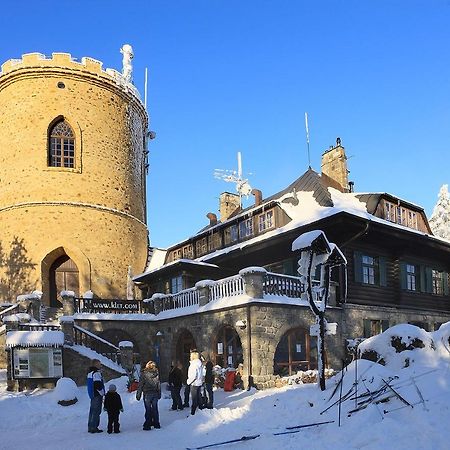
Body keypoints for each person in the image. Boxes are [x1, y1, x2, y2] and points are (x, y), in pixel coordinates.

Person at [136, 361, 161, 430]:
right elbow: (158, 384)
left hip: (147, 394)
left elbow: (140, 385)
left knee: (148, 409)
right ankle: (156, 423)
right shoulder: (156, 373)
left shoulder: (144, 374)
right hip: (155, 393)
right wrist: (159, 393)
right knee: (155, 408)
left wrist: (138, 394)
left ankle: (148, 424)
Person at [87, 359, 105, 433]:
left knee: (92, 411)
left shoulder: (90, 373)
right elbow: (98, 385)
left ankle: (90, 426)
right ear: (95, 365)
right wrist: (102, 393)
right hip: (97, 395)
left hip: (92, 394)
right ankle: (94, 427)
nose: (100, 365)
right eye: (99, 364)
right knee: (96, 411)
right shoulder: (96, 373)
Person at [186, 350, 204, 415]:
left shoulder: (193, 365)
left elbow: (193, 375)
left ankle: (193, 413)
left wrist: (188, 381)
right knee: (198, 397)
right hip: (199, 382)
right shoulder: (200, 364)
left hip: (194, 383)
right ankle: (201, 410)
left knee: (194, 399)